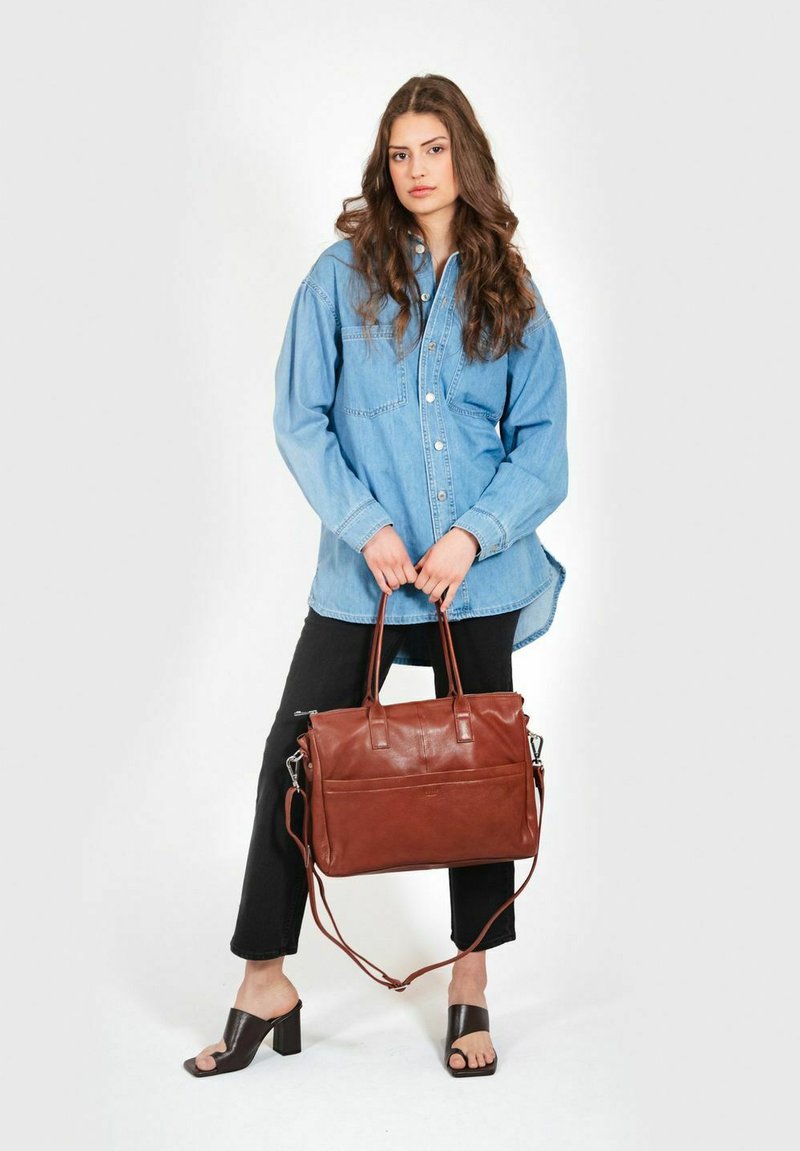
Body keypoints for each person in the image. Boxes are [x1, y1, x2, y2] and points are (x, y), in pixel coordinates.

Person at [184, 73, 568, 1079]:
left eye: (433, 150)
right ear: (383, 165)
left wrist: (472, 536)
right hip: (365, 581)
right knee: (291, 759)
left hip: (473, 580)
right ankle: (264, 977)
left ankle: (470, 979)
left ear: (464, 159)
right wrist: (367, 528)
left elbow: (543, 446)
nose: (416, 170)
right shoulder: (338, 277)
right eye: (400, 153)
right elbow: (299, 418)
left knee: (476, 774)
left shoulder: (509, 288)